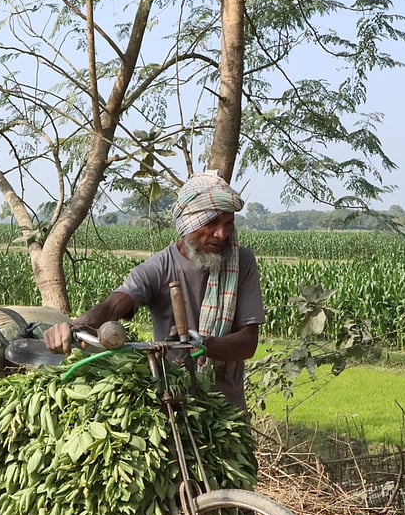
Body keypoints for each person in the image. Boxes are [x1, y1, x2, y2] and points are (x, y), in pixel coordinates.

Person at [44, 170, 265, 409]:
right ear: (189, 222)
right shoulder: (159, 267)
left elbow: (248, 342)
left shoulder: (241, 262)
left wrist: (203, 345)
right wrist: (74, 327)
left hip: (226, 405)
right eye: (211, 223)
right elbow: (113, 306)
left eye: (228, 224)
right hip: (172, 399)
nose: (222, 234)